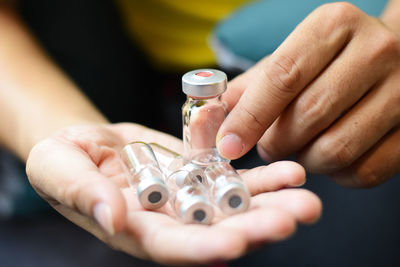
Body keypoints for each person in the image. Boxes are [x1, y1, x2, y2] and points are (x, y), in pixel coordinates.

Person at [0, 1, 321, 265]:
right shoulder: (189, 111)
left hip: (294, 74)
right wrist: (66, 130)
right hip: (141, 66)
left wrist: (375, 23)